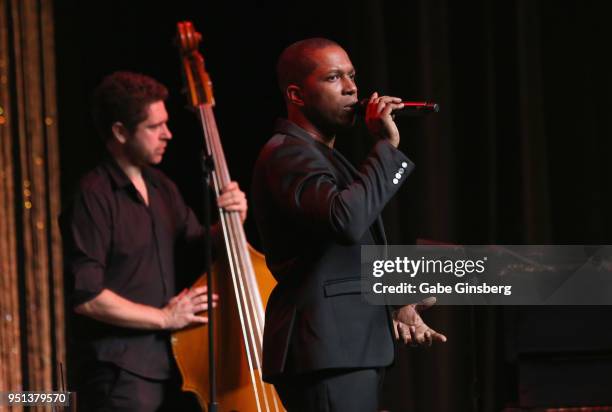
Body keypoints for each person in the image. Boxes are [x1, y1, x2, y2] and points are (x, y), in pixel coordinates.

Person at [251, 38, 447, 411]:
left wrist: (393, 304)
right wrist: (388, 147)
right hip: (325, 349)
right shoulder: (287, 153)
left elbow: (336, 253)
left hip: (343, 346)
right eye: (333, 77)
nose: (352, 88)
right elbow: (346, 220)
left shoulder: (322, 156)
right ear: (297, 94)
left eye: (353, 76)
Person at [60, 71, 247, 411]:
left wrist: (233, 217)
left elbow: (199, 246)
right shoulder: (93, 196)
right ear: (119, 132)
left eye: (166, 123)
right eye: (154, 127)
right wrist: (164, 318)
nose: (168, 135)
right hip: (117, 375)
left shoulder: (162, 187)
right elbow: (87, 297)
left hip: (170, 365)